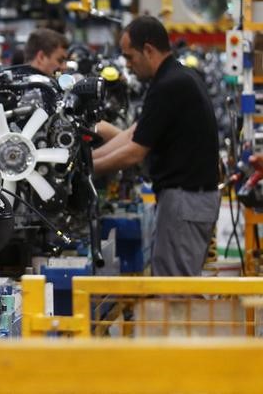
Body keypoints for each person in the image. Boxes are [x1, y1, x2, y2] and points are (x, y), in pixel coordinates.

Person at [93, 16, 220, 276]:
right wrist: (88, 156)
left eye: (130, 57)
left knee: (174, 289)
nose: (128, 66)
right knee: (174, 282)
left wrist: (87, 170)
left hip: (186, 201)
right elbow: (134, 133)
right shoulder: (176, 77)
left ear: (148, 50)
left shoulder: (170, 85)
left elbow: (134, 152)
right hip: (187, 200)